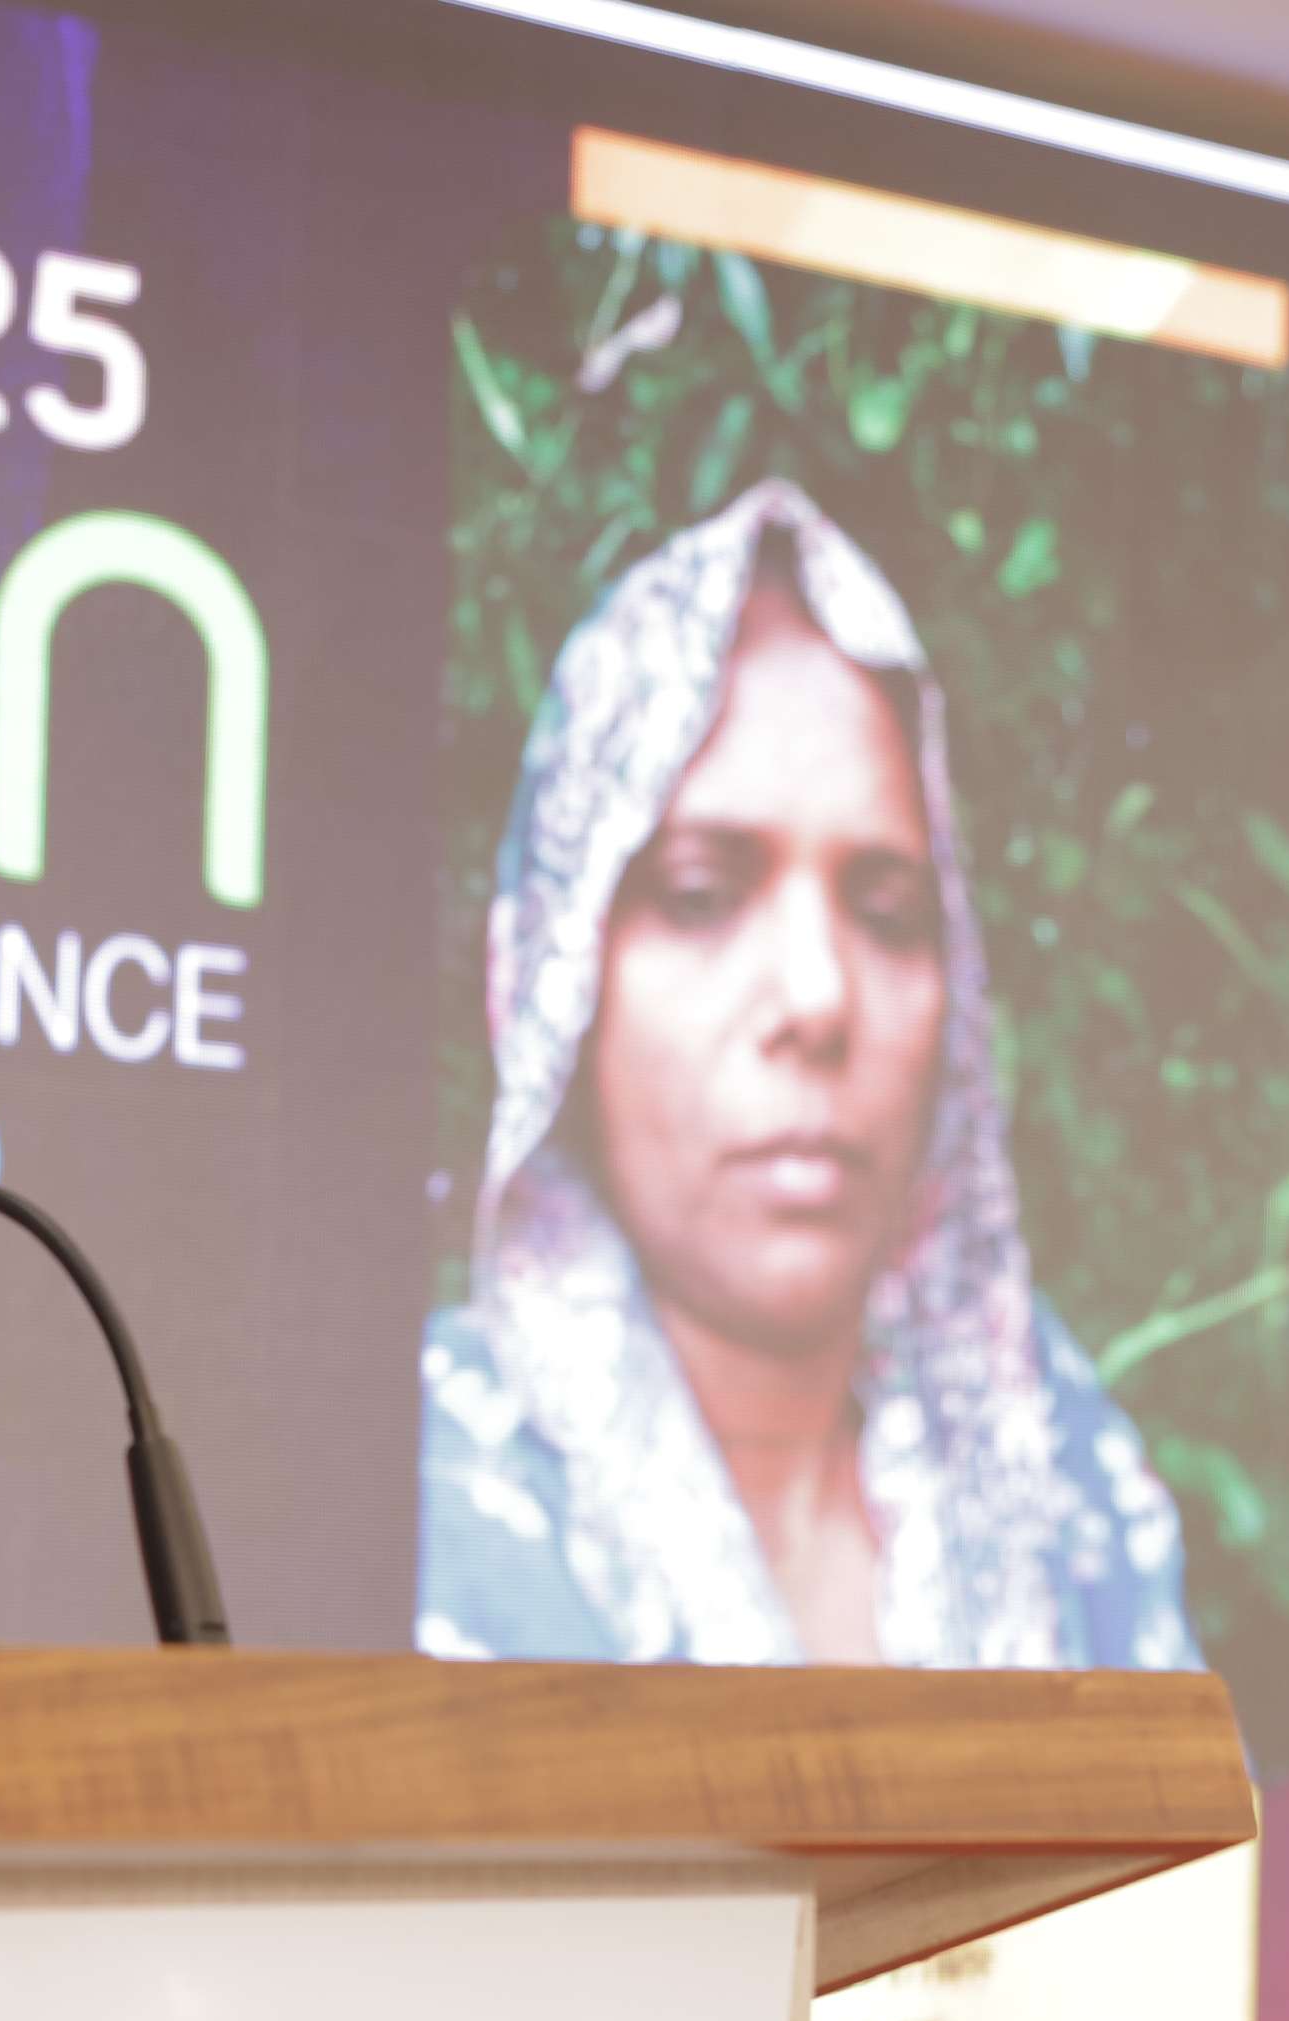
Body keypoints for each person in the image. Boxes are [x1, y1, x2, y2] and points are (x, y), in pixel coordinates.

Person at [419, 479, 1195, 1672]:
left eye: (887, 912)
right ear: (559, 976)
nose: (818, 997)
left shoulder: (1055, 1474)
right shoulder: (416, 1498)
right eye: (700, 895)